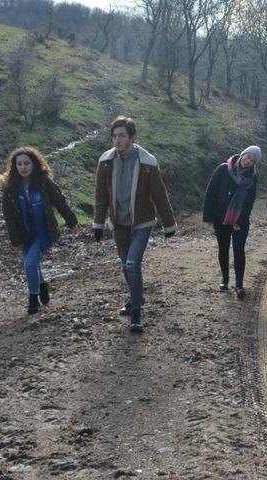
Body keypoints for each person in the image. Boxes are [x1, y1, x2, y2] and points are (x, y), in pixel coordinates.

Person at [93, 116, 176, 333]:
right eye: (114, 136)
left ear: (132, 137)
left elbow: (159, 195)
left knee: (132, 264)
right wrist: (98, 223)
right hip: (118, 222)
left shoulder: (147, 162)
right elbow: (101, 195)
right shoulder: (106, 162)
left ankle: (136, 313)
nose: (117, 140)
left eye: (122, 136)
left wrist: (169, 224)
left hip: (142, 222)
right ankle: (136, 297)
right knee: (125, 264)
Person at [0, 147, 79, 315]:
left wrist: (71, 222)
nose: (23, 167)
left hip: (44, 231)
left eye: (26, 163)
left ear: (34, 164)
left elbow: (60, 201)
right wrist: (16, 240)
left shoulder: (43, 182)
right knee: (32, 264)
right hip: (24, 233)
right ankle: (42, 285)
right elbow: (9, 217)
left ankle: (33, 299)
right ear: (14, 167)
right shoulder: (10, 188)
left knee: (29, 264)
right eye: (19, 164)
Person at [203, 146, 259, 299]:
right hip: (221, 217)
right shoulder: (223, 169)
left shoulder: (253, 177)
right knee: (223, 248)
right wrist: (208, 215)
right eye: (248, 157)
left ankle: (239, 284)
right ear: (242, 154)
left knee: (239, 250)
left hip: (240, 220)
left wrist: (239, 220)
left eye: (252, 161)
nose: (248, 161)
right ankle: (225, 279)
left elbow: (250, 201)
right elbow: (211, 192)